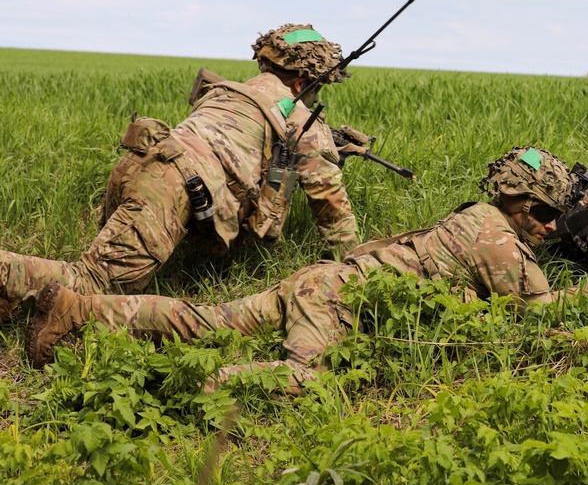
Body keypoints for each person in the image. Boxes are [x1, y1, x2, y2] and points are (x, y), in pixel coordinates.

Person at [27, 147, 588, 394]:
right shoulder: (498, 240)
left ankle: (77, 308)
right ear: (518, 201)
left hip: (321, 280)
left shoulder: (475, 217)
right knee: (308, 379)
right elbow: (535, 322)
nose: (548, 228)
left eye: (555, 219)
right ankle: (208, 388)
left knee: (208, 321)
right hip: (333, 302)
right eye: (543, 215)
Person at [0, 24, 360, 321]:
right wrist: (353, 275)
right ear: (301, 85)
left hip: (140, 162)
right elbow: (330, 203)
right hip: (170, 188)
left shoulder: (225, 92)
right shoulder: (300, 117)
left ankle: (16, 298)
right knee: (93, 285)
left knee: (96, 272)